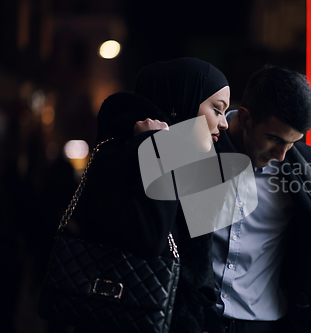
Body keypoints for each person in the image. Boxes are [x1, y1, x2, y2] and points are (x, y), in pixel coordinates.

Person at [75, 57, 229, 333]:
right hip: (122, 317)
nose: (225, 123)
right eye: (217, 110)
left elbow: (197, 270)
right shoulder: (119, 152)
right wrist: (156, 149)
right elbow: (148, 237)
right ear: (181, 101)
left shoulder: (192, 162)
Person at [212, 66, 311, 333]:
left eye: (292, 143)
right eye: (274, 139)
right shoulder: (199, 148)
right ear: (246, 118)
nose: (281, 155)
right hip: (194, 318)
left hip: (266, 324)